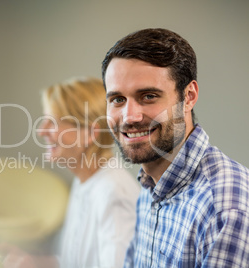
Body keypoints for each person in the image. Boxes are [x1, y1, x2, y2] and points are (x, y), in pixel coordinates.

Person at [102, 28, 249, 267]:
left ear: (189, 96)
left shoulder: (226, 209)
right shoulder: (150, 187)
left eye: (148, 96)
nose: (129, 117)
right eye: (118, 99)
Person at [0, 77, 140, 268]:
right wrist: (33, 263)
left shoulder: (114, 195)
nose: (41, 131)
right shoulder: (84, 182)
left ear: (89, 133)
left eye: (53, 122)